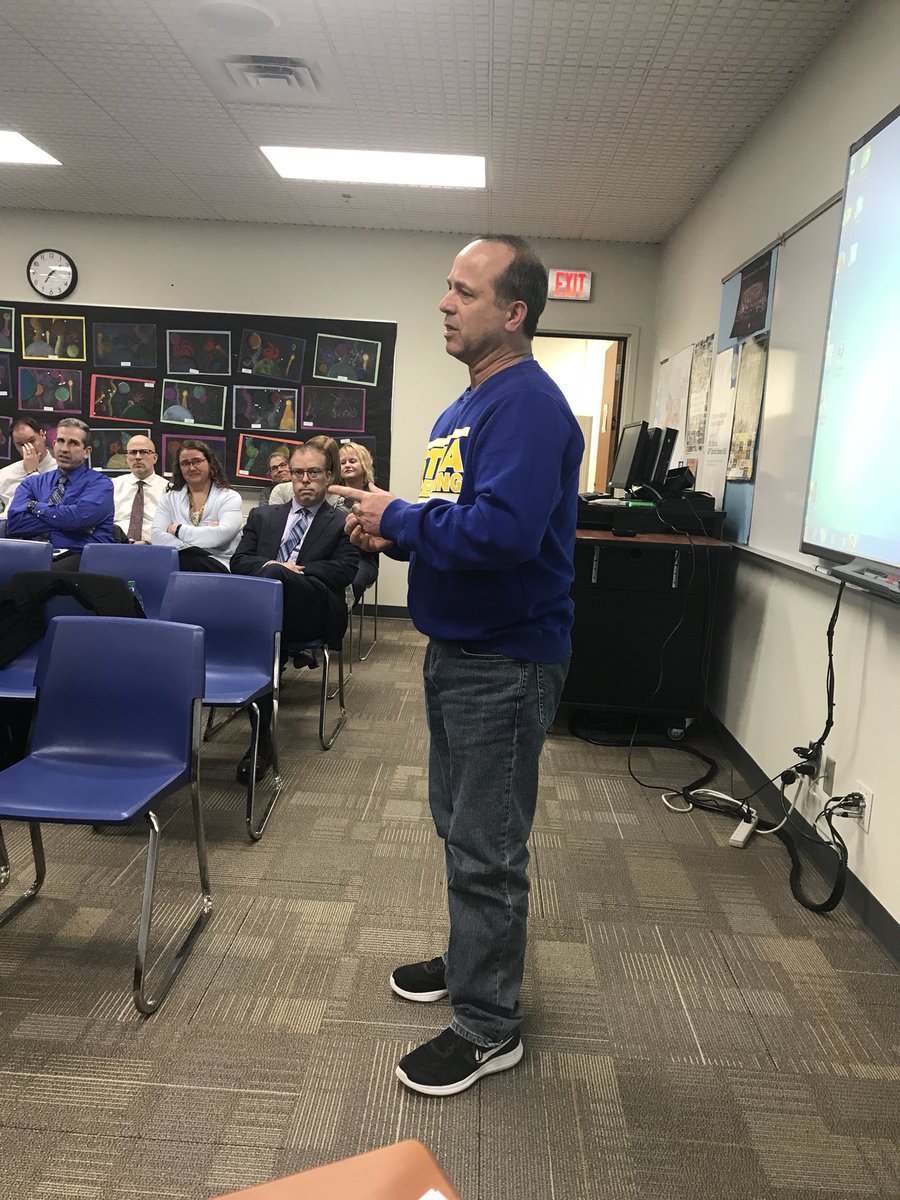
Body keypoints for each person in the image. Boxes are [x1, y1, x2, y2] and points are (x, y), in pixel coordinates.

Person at [332, 235, 584, 1097]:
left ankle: (488, 1024)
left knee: (487, 845)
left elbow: (505, 535)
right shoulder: (464, 407)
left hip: (506, 663)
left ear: (513, 314)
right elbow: (456, 525)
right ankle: (475, 959)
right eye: (446, 287)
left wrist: (401, 518)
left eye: (464, 291)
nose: (444, 302)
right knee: (460, 825)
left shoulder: (527, 405)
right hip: (460, 650)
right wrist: (390, 529)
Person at [231, 443, 358, 781]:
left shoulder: (343, 521)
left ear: (328, 477)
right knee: (201, 571)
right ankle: (262, 738)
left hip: (313, 608)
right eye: (298, 473)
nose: (304, 480)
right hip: (265, 613)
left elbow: (345, 571)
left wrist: (292, 570)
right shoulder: (263, 516)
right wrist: (275, 566)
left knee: (272, 582)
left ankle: (248, 661)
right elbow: (239, 561)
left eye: (313, 473)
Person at [6, 417, 115, 568]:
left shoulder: (101, 484)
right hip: (33, 554)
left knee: (29, 580)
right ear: (54, 444)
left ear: (86, 452)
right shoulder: (33, 482)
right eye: (61, 441)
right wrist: (67, 523)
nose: (64, 449)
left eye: (73, 443)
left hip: (81, 557)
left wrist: (34, 506)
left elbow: (78, 519)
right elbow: (15, 524)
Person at [151, 440, 242, 572]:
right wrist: (195, 544)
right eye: (185, 463)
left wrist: (178, 530)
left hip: (218, 562)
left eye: (197, 461)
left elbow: (222, 534)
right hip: (178, 559)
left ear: (210, 463)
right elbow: (157, 536)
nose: (192, 468)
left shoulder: (229, 497)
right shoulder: (168, 499)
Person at [339, 442, 379, 601]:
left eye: (352, 461)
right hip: (334, 555)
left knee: (352, 581)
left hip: (363, 558)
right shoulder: (331, 495)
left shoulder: (376, 497)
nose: (347, 465)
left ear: (364, 464)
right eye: (343, 463)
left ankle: (338, 617)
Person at [112, 434, 168, 543]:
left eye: (143, 452)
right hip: (115, 548)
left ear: (155, 458)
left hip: (155, 550)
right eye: (133, 452)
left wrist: (149, 543)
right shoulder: (112, 486)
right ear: (127, 458)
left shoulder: (169, 490)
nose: (138, 457)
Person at [0, 417, 58, 513]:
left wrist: (32, 472)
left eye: (32, 441)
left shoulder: (62, 471)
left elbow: (50, 507)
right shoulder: (4, 474)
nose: (28, 448)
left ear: (42, 435)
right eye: (21, 445)